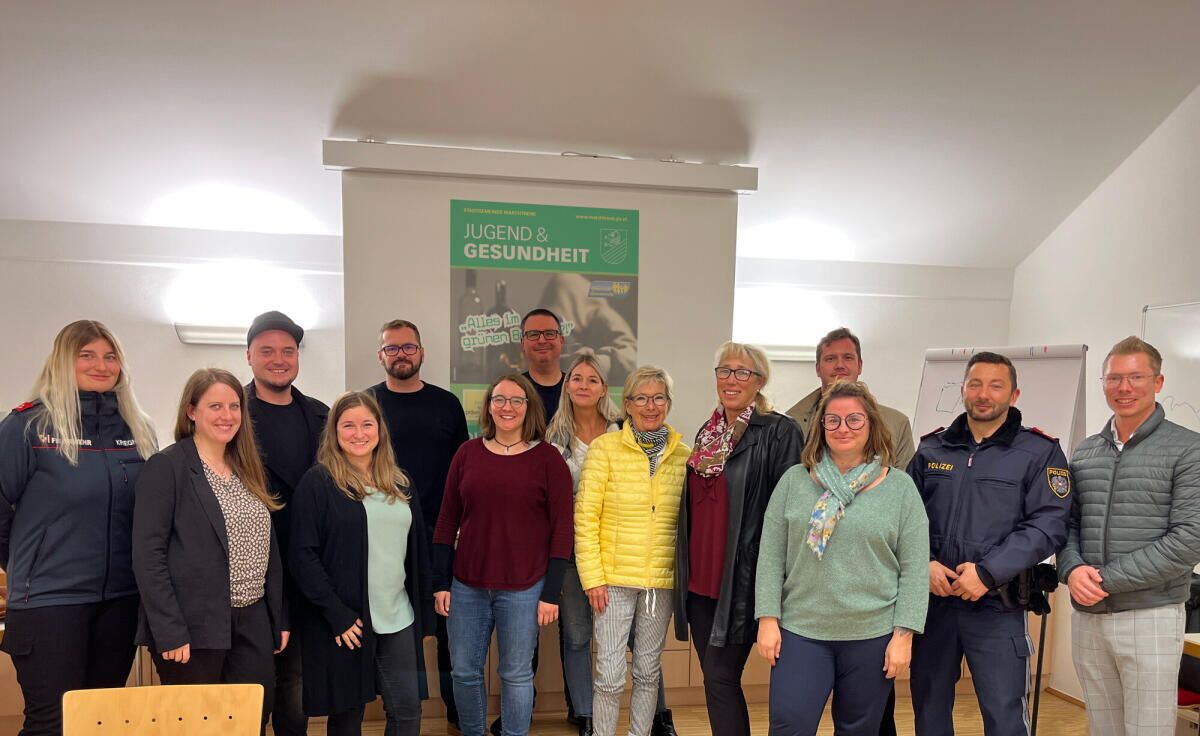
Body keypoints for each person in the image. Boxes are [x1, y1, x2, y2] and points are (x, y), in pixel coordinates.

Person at [0, 320, 157, 736]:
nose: (101, 366)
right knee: (53, 725)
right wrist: (26, 564)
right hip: (50, 603)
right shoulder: (27, 427)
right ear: (62, 361)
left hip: (120, 600)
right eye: (86, 355)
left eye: (110, 356)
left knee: (100, 723)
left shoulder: (138, 430)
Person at [907, 352, 1071, 736]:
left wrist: (987, 572)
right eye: (975, 384)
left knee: (1004, 715)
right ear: (963, 390)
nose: (984, 394)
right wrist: (923, 563)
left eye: (996, 386)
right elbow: (905, 518)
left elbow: (1048, 524)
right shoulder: (932, 449)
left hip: (998, 604)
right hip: (934, 604)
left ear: (1014, 394)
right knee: (928, 710)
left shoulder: (1040, 452)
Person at [755, 381, 929, 735]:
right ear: (821, 427)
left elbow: (914, 570)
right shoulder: (794, 481)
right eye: (832, 420)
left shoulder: (900, 488)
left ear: (871, 424)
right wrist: (767, 619)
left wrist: (904, 636)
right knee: (789, 725)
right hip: (801, 632)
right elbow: (771, 557)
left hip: (872, 635)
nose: (843, 428)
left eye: (854, 419)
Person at [1059, 337, 1200, 736]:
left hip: (1151, 614)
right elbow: (1066, 524)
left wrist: (1104, 580)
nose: (1124, 388)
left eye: (1136, 377)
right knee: (1103, 727)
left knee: (1147, 729)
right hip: (1089, 616)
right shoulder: (1085, 452)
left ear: (1158, 382)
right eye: (1114, 378)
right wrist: (1071, 571)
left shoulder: (1189, 449)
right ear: (1103, 383)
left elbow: (1188, 539)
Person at [133, 368, 288, 731]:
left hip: (252, 618)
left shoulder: (247, 466)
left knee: (252, 718)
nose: (227, 415)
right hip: (193, 625)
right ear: (192, 411)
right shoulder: (167, 467)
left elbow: (268, 545)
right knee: (199, 725)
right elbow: (147, 555)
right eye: (215, 406)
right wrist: (170, 630)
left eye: (234, 406)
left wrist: (278, 616)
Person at [674, 342, 804, 736]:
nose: (731, 380)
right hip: (700, 583)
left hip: (742, 581)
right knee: (717, 681)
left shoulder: (779, 431)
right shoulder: (708, 431)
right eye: (724, 371)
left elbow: (790, 511)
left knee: (719, 676)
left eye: (742, 372)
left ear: (759, 381)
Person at [432, 374, 573, 736]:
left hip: (525, 586)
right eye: (499, 399)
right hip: (467, 585)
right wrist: (440, 582)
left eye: (516, 400)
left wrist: (550, 593)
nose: (507, 407)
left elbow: (562, 529)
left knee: (516, 673)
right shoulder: (467, 454)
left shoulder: (548, 459)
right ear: (489, 407)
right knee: (464, 671)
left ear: (529, 407)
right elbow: (446, 520)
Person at [289, 392, 434, 736]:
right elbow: (302, 555)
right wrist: (336, 614)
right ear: (334, 432)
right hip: (347, 620)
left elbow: (417, 553)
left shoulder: (400, 483)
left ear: (380, 429)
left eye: (367, 424)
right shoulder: (319, 483)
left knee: (407, 711)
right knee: (347, 717)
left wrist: (425, 615)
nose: (359, 434)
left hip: (397, 616)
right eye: (348, 426)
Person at [575, 366, 690, 736]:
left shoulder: (683, 456)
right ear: (627, 404)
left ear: (668, 403)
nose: (650, 406)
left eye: (658, 398)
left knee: (647, 672)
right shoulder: (604, 449)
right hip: (612, 582)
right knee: (609, 676)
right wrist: (592, 578)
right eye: (641, 398)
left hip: (660, 584)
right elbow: (585, 517)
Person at [369, 318, 468, 732]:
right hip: (384, 536)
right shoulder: (366, 405)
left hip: (440, 534)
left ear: (421, 352)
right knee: (393, 626)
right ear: (381, 355)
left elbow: (464, 472)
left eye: (408, 347)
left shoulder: (446, 404)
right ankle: (398, 713)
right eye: (392, 348)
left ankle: (456, 715)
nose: (401, 354)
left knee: (448, 629)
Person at [243, 310, 329, 736]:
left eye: (288, 351)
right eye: (267, 351)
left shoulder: (321, 416)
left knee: (295, 682)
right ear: (249, 356)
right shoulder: (230, 413)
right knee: (249, 684)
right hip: (248, 573)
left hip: (304, 568)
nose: (278, 359)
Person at [786, 327, 915, 468]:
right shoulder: (790, 424)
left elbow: (903, 480)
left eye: (848, 357)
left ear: (859, 366)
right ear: (818, 369)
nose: (840, 365)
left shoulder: (897, 424)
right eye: (830, 359)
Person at [520, 308, 567, 421]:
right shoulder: (512, 390)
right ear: (522, 343)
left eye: (549, 333)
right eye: (533, 334)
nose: (542, 340)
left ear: (561, 341)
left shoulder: (578, 389)